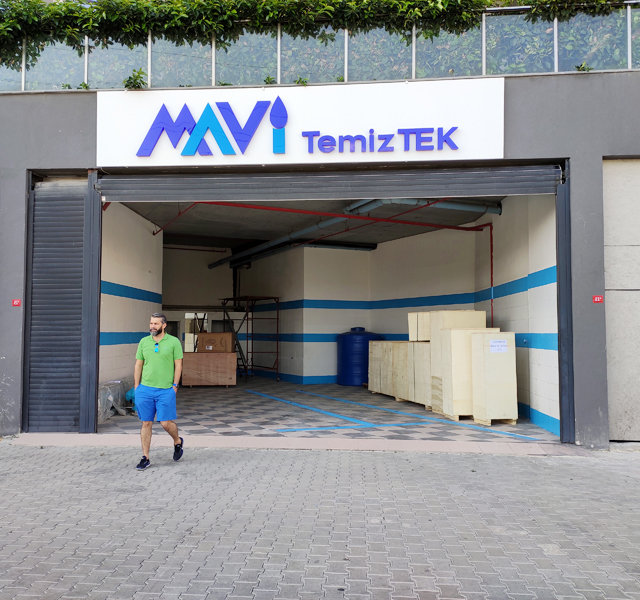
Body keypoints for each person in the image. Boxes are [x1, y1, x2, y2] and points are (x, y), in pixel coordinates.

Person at [133, 312, 184, 470]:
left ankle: (177, 441)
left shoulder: (174, 342)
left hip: (166, 390)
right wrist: (137, 387)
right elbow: (138, 365)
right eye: (151, 323)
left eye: (156, 323)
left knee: (165, 423)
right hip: (145, 389)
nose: (152, 326)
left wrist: (175, 386)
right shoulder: (144, 342)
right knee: (146, 423)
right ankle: (145, 457)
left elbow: (178, 365)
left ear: (164, 325)